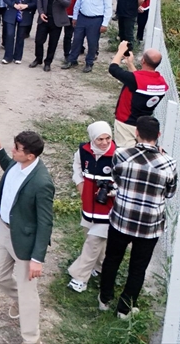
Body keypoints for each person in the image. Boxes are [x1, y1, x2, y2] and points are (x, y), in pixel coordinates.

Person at [99, 116, 177, 319]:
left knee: (112, 259)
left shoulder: (121, 155)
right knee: (138, 267)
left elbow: (116, 180)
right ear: (158, 135)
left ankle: (104, 299)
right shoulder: (169, 163)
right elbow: (169, 193)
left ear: (136, 133)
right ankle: (124, 309)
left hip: (121, 219)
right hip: (149, 226)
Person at [0, 130, 54, 344]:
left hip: (25, 240)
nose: (13, 150)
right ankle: (19, 299)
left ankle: (31, 338)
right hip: (3, 228)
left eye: (17, 149)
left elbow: (45, 222)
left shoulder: (42, 183)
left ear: (30, 156)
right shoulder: (18, 164)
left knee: (28, 291)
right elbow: (9, 167)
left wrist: (37, 258)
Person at [67, 121, 116, 293]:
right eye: (99, 139)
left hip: (108, 207)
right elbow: (77, 167)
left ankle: (79, 277)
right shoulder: (83, 151)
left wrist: (113, 191)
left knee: (93, 243)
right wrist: (80, 183)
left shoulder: (118, 155)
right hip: (89, 204)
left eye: (107, 138)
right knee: (92, 237)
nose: (104, 143)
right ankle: (100, 266)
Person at [107, 41, 168, 148]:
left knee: (126, 155)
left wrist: (121, 51)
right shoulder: (162, 84)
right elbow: (141, 82)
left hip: (125, 123)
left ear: (143, 60)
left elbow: (113, 69)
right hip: (144, 125)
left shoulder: (135, 80)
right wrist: (130, 64)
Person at [64, 0, 112, 72]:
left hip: (96, 20)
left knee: (92, 42)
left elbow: (108, 7)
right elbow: (78, 3)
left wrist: (105, 24)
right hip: (82, 17)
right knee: (77, 40)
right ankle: (72, 60)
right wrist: (75, 17)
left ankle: (89, 63)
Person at [30, 0, 72, 71]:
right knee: (39, 40)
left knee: (52, 43)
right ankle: (38, 58)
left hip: (56, 20)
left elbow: (67, 3)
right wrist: (41, 12)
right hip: (44, 18)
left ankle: (48, 62)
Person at [1, 0, 37, 65]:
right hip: (11, 12)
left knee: (20, 36)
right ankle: (7, 56)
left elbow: (34, 3)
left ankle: (17, 56)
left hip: (24, 15)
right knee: (9, 34)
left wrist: (26, 6)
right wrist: (14, 4)